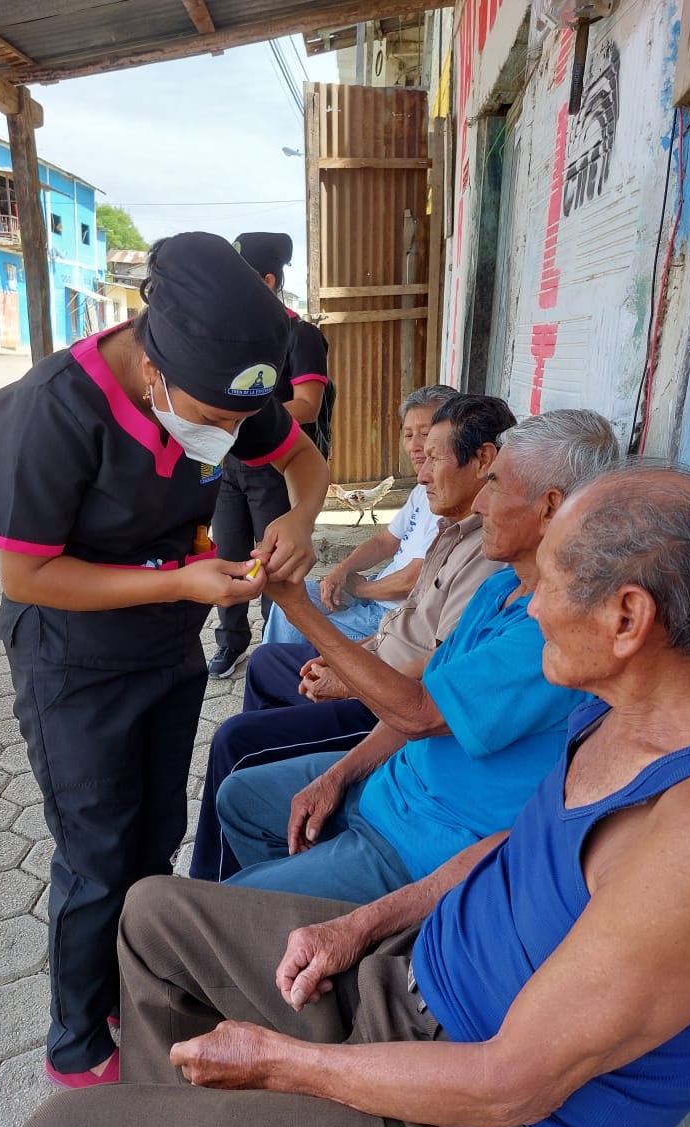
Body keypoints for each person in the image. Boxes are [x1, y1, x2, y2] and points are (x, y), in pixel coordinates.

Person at [16, 462, 690, 1127]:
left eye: (551, 585)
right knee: (153, 914)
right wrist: (361, 924)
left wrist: (281, 1065)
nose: (533, 607)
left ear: (625, 618)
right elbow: (506, 846)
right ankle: (170, 1118)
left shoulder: (684, 839)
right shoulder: (608, 712)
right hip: (411, 980)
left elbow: (509, 1085)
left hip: (475, 1118)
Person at [0, 232, 329, 1088]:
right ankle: (75, 1042)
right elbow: (27, 575)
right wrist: (179, 583)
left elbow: (302, 461)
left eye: (238, 422)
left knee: (156, 830)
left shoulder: (226, 384)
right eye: (214, 420)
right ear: (154, 367)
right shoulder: (47, 412)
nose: (228, 437)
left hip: (168, 646)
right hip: (73, 661)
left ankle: (136, 984)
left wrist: (298, 519)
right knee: (96, 851)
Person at [216, 410, 620, 902]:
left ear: (550, 507)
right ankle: (288, 914)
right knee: (239, 798)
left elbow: (420, 712)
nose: (482, 502)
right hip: (394, 786)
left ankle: (294, 919)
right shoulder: (502, 588)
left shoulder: (553, 630)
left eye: (495, 485)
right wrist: (339, 775)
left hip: (426, 841)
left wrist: (298, 606)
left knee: (217, 906)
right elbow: (427, 696)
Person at [190, 394, 514, 882]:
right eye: (412, 440)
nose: (420, 471)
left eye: (433, 455)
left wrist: (340, 660)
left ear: (485, 460)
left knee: (238, 742)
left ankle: (221, 886)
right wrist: (349, 652)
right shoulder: (455, 530)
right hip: (390, 695)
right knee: (268, 664)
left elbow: (428, 695)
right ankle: (270, 832)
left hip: (393, 715)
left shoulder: (497, 565)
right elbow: (406, 620)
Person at [208, 231, 330, 679]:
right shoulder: (233, 338)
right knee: (229, 552)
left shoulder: (300, 335)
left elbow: (308, 405)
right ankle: (230, 641)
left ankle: (274, 645)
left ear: (268, 281)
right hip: (227, 463)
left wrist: (243, 416)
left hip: (276, 465)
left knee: (271, 560)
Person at [261, 385, 454, 647]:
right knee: (295, 598)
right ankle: (281, 665)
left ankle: (284, 668)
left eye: (426, 433)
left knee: (294, 613)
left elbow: (415, 579)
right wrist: (341, 572)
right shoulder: (423, 488)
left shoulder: (451, 501)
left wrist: (359, 588)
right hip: (378, 592)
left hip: (396, 615)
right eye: (408, 434)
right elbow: (384, 542)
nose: (415, 445)